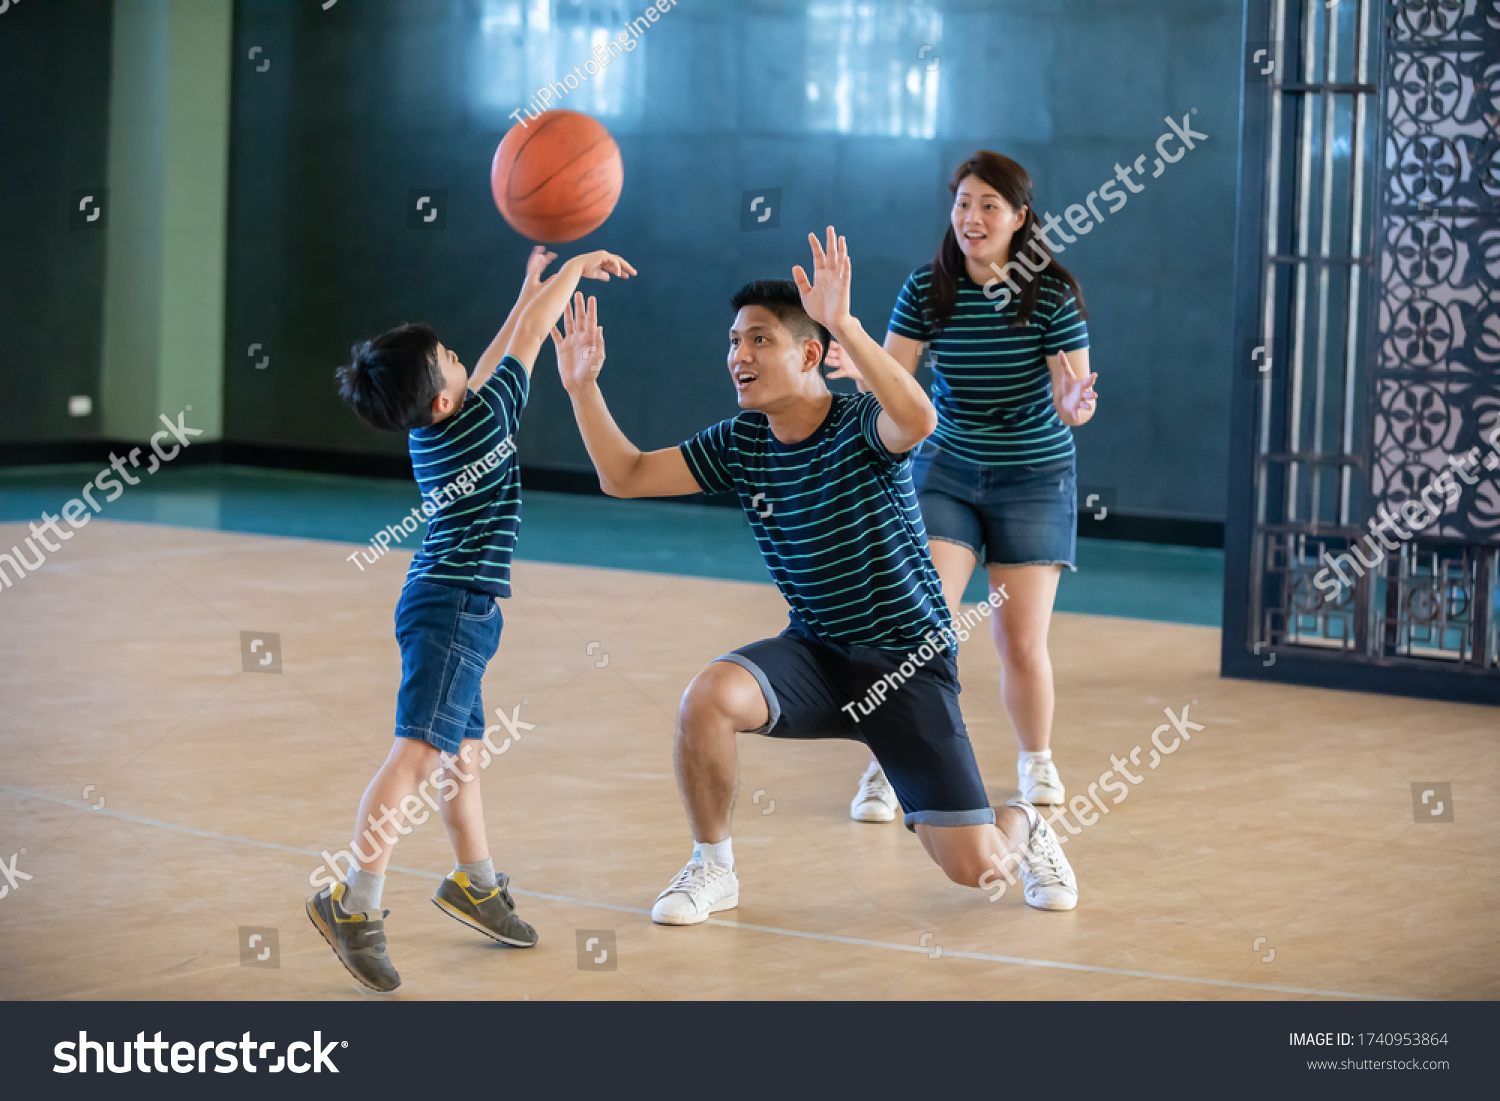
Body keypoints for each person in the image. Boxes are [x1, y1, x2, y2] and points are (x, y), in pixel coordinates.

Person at [551, 227, 1078, 924]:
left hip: (905, 666)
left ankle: (1025, 827)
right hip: (817, 653)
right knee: (707, 697)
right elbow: (624, 474)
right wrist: (583, 388)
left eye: (759, 340)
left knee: (976, 868)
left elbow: (919, 418)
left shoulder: (859, 421)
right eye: (734, 341)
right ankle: (714, 869)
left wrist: (845, 324)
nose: (739, 355)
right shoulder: (740, 442)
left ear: (808, 354)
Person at [307, 245, 635, 992]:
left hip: (450, 604)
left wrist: (526, 292)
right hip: (455, 611)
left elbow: (486, 366)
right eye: (448, 357)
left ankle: (474, 882)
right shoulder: (482, 422)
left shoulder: (440, 426)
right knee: (417, 757)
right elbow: (519, 348)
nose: (462, 356)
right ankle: (353, 901)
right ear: (446, 397)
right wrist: (569, 274)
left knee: (464, 756)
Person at [824, 151, 1098, 824]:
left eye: (988, 207)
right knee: (921, 627)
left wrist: (1074, 400)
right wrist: (854, 358)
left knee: (1020, 641)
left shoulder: (1052, 293)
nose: (971, 219)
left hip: (1034, 474)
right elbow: (895, 381)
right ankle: (890, 767)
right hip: (945, 466)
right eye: (963, 204)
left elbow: (1073, 400)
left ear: (1018, 218)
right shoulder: (928, 289)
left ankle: (1037, 760)